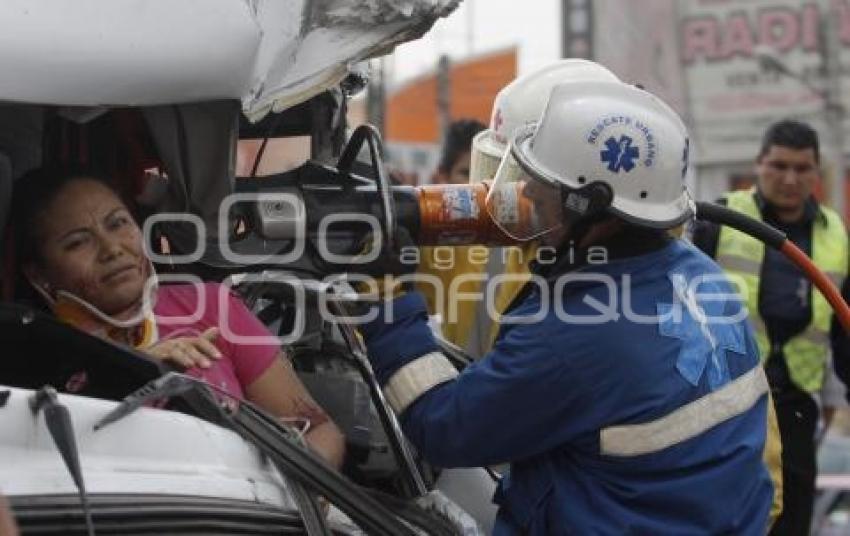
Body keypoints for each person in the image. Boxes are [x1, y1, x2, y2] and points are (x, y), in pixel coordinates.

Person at [358, 79, 774, 534]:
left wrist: (387, 300)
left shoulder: (579, 334)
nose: (528, 197)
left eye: (541, 185)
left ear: (589, 206)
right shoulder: (698, 273)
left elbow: (443, 428)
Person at [10, 167, 345, 468]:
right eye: (77, 243)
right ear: (39, 275)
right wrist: (135, 373)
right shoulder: (32, 354)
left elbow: (319, 430)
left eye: (118, 223)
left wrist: (294, 495)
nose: (112, 249)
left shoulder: (212, 306)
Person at [692, 119, 849, 535]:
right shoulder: (718, 218)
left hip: (795, 408)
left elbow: (842, 333)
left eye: (802, 168)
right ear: (759, 164)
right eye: (779, 165)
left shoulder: (835, 234)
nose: (790, 178)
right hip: (723, 404)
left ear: (817, 173)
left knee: (791, 522)